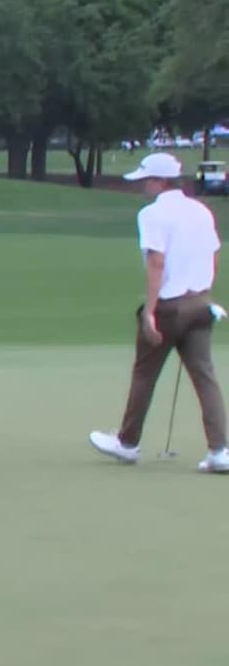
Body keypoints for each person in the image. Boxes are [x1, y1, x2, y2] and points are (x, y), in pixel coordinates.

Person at [89, 152, 229, 472]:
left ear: (160, 182)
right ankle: (220, 450)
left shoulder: (152, 214)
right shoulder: (201, 211)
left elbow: (156, 262)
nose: (142, 187)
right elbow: (214, 257)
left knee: (144, 374)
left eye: (146, 181)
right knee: (205, 376)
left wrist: (150, 312)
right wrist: (204, 294)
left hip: (169, 305)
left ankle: (127, 442)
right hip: (201, 302)